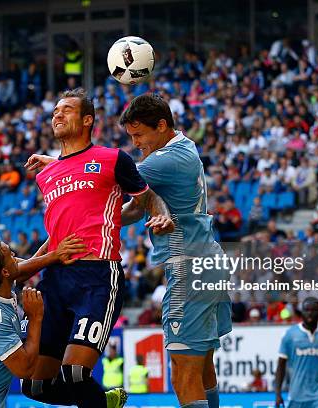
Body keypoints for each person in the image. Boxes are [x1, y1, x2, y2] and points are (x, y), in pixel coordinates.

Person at [23, 88, 173, 408]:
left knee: (75, 373)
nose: (57, 115)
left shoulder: (113, 159)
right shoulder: (47, 174)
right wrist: (26, 268)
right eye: (55, 111)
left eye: (67, 110)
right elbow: (56, 233)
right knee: (33, 386)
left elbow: (146, 196)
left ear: (88, 120)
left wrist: (162, 214)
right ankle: (106, 402)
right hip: (55, 279)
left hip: (97, 276)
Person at [118, 94, 231, 408]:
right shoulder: (184, 147)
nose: (136, 142)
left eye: (139, 134)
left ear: (162, 125)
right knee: (202, 366)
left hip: (189, 266)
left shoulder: (162, 161)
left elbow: (109, 181)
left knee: (183, 368)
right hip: (208, 261)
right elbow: (134, 207)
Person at [0, 228, 86, 407]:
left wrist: (54, 246)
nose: (14, 255)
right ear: (4, 272)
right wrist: (35, 318)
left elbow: (22, 269)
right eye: (11, 256)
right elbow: (26, 369)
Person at [275, 297, 318, 408]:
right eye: (307, 310)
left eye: (313, 310)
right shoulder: (290, 335)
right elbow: (281, 365)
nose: (310, 313)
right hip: (297, 395)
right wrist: (278, 393)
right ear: (302, 312)